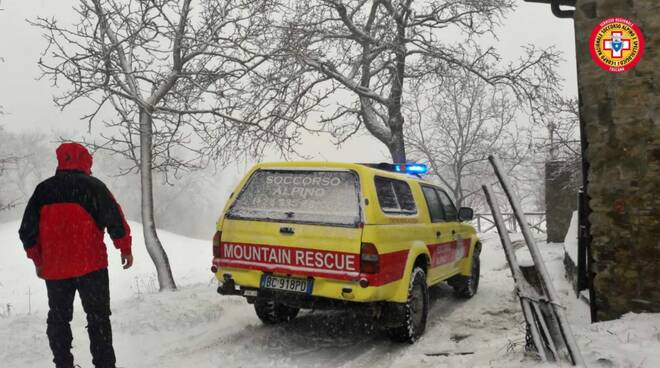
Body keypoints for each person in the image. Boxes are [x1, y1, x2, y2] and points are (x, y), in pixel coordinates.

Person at [18, 142, 133, 368]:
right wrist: (125, 247)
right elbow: (115, 219)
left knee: (59, 319)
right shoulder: (94, 187)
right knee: (98, 317)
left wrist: (38, 260)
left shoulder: (43, 190)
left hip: (56, 269)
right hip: (92, 266)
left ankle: (63, 363)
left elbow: (27, 230)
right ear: (85, 160)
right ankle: (104, 365)